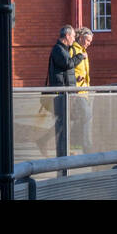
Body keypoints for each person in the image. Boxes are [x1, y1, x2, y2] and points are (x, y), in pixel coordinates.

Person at [46, 24, 89, 156]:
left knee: (65, 123)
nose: (74, 39)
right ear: (67, 36)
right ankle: (62, 153)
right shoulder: (58, 49)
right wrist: (80, 56)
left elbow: (68, 70)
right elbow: (68, 64)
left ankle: (64, 151)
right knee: (61, 124)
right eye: (73, 36)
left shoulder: (64, 49)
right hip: (61, 93)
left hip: (67, 93)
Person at [69, 27, 94, 153]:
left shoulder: (84, 52)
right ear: (81, 37)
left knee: (77, 118)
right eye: (87, 40)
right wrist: (75, 78)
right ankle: (86, 146)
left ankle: (74, 145)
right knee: (87, 115)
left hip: (84, 91)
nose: (89, 43)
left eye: (90, 41)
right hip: (77, 91)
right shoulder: (73, 49)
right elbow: (68, 67)